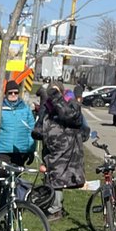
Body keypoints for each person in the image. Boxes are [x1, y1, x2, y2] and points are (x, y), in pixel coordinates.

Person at [36, 86, 87, 220]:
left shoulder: (70, 104)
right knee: (52, 177)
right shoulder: (48, 108)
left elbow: (70, 116)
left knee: (58, 177)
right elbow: (40, 127)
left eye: (56, 91)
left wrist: (57, 99)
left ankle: (55, 209)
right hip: (52, 147)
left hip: (66, 148)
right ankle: (52, 205)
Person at [0, 80, 37, 167]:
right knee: (2, 174)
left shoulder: (25, 109)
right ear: (6, 94)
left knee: (16, 176)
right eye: (10, 93)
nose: (13, 95)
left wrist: (31, 150)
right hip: (2, 150)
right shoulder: (0, 109)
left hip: (20, 150)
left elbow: (31, 130)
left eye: (15, 93)